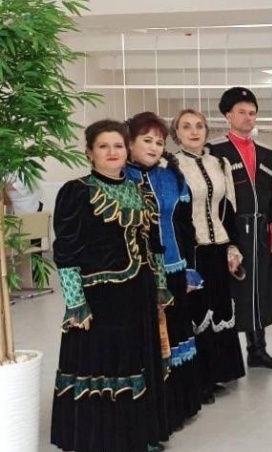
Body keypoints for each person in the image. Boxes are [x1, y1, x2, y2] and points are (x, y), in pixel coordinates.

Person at [51, 119, 171, 452]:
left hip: (139, 293)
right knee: (104, 363)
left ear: (127, 150)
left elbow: (154, 245)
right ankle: (102, 440)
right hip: (100, 297)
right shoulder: (77, 191)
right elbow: (65, 250)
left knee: (137, 360)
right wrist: (76, 301)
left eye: (118, 145)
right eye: (103, 146)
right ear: (89, 152)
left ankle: (136, 437)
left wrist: (160, 286)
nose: (112, 152)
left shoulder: (140, 191)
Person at [125, 112, 203, 431]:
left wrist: (190, 268)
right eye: (147, 140)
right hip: (138, 274)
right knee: (152, 342)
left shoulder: (171, 177)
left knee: (177, 334)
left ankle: (179, 407)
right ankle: (155, 415)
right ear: (130, 143)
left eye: (159, 142)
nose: (154, 147)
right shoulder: (121, 179)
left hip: (174, 268)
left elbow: (185, 226)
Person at [207, 87, 272, 369]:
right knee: (234, 290)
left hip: (261, 229)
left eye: (252, 113)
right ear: (228, 115)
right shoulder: (215, 151)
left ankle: (258, 350)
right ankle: (227, 356)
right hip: (232, 229)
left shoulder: (267, 154)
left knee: (260, 288)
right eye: (241, 112)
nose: (248, 118)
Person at [172, 108, 246, 403]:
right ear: (176, 133)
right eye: (186, 126)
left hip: (218, 246)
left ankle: (217, 372)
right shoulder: (171, 165)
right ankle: (198, 379)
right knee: (196, 310)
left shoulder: (220, 163)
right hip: (192, 249)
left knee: (219, 306)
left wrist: (232, 247)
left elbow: (229, 208)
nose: (194, 131)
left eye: (199, 126)